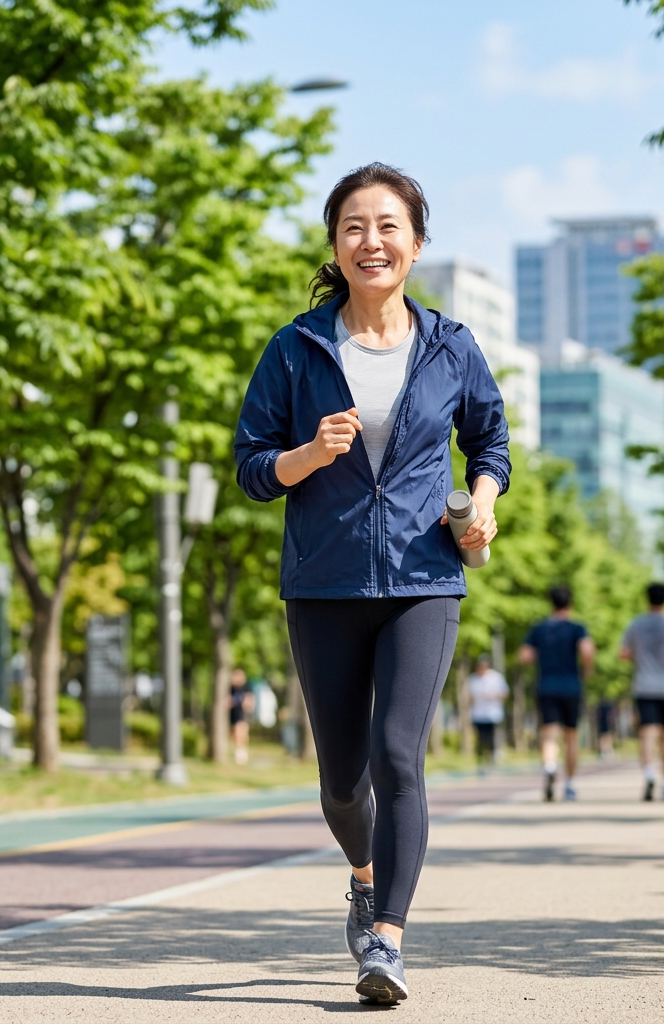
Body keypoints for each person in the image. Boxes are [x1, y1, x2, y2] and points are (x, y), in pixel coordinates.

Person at [235, 162, 510, 1005]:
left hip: (425, 577)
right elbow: (251, 469)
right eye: (355, 226)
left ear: (416, 244)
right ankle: (361, 875)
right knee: (342, 781)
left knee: (400, 757)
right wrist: (307, 456)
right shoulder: (296, 347)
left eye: (389, 226)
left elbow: (490, 444)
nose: (372, 241)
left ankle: (385, 940)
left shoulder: (452, 346)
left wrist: (485, 504)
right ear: (335, 245)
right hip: (324, 581)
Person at [518, 586, 595, 802]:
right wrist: (587, 669)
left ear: (551, 603)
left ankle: (550, 767)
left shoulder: (540, 629)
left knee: (549, 734)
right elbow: (587, 650)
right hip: (571, 686)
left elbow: (525, 655)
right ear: (570, 604)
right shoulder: (577, 628)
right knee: (571, 737)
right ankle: (569, 785)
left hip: (547, 686)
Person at [620, 582, 664, 801]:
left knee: (647, 733)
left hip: (644, 685)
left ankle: (649, 773)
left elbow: (623, 653)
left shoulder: (636, 624)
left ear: (647, 598)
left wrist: (639, 660)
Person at [468, 653, 509, 767]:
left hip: (492, 714)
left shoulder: (496, 678)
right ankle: (481, 760)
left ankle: (491, 758)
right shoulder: (472, 679)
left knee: (491, 737)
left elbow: (505, 694)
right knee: (480, 738)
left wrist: (493, 696)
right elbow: (469, 697)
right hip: (478, 714)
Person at [229, 668, 255, 765]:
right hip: (233, 714)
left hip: (242, 715)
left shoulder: (246, 687)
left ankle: (242, 754)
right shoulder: (231, 688)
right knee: (234, 734)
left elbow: (249, 702)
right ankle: (238, 752)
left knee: (240, 732)